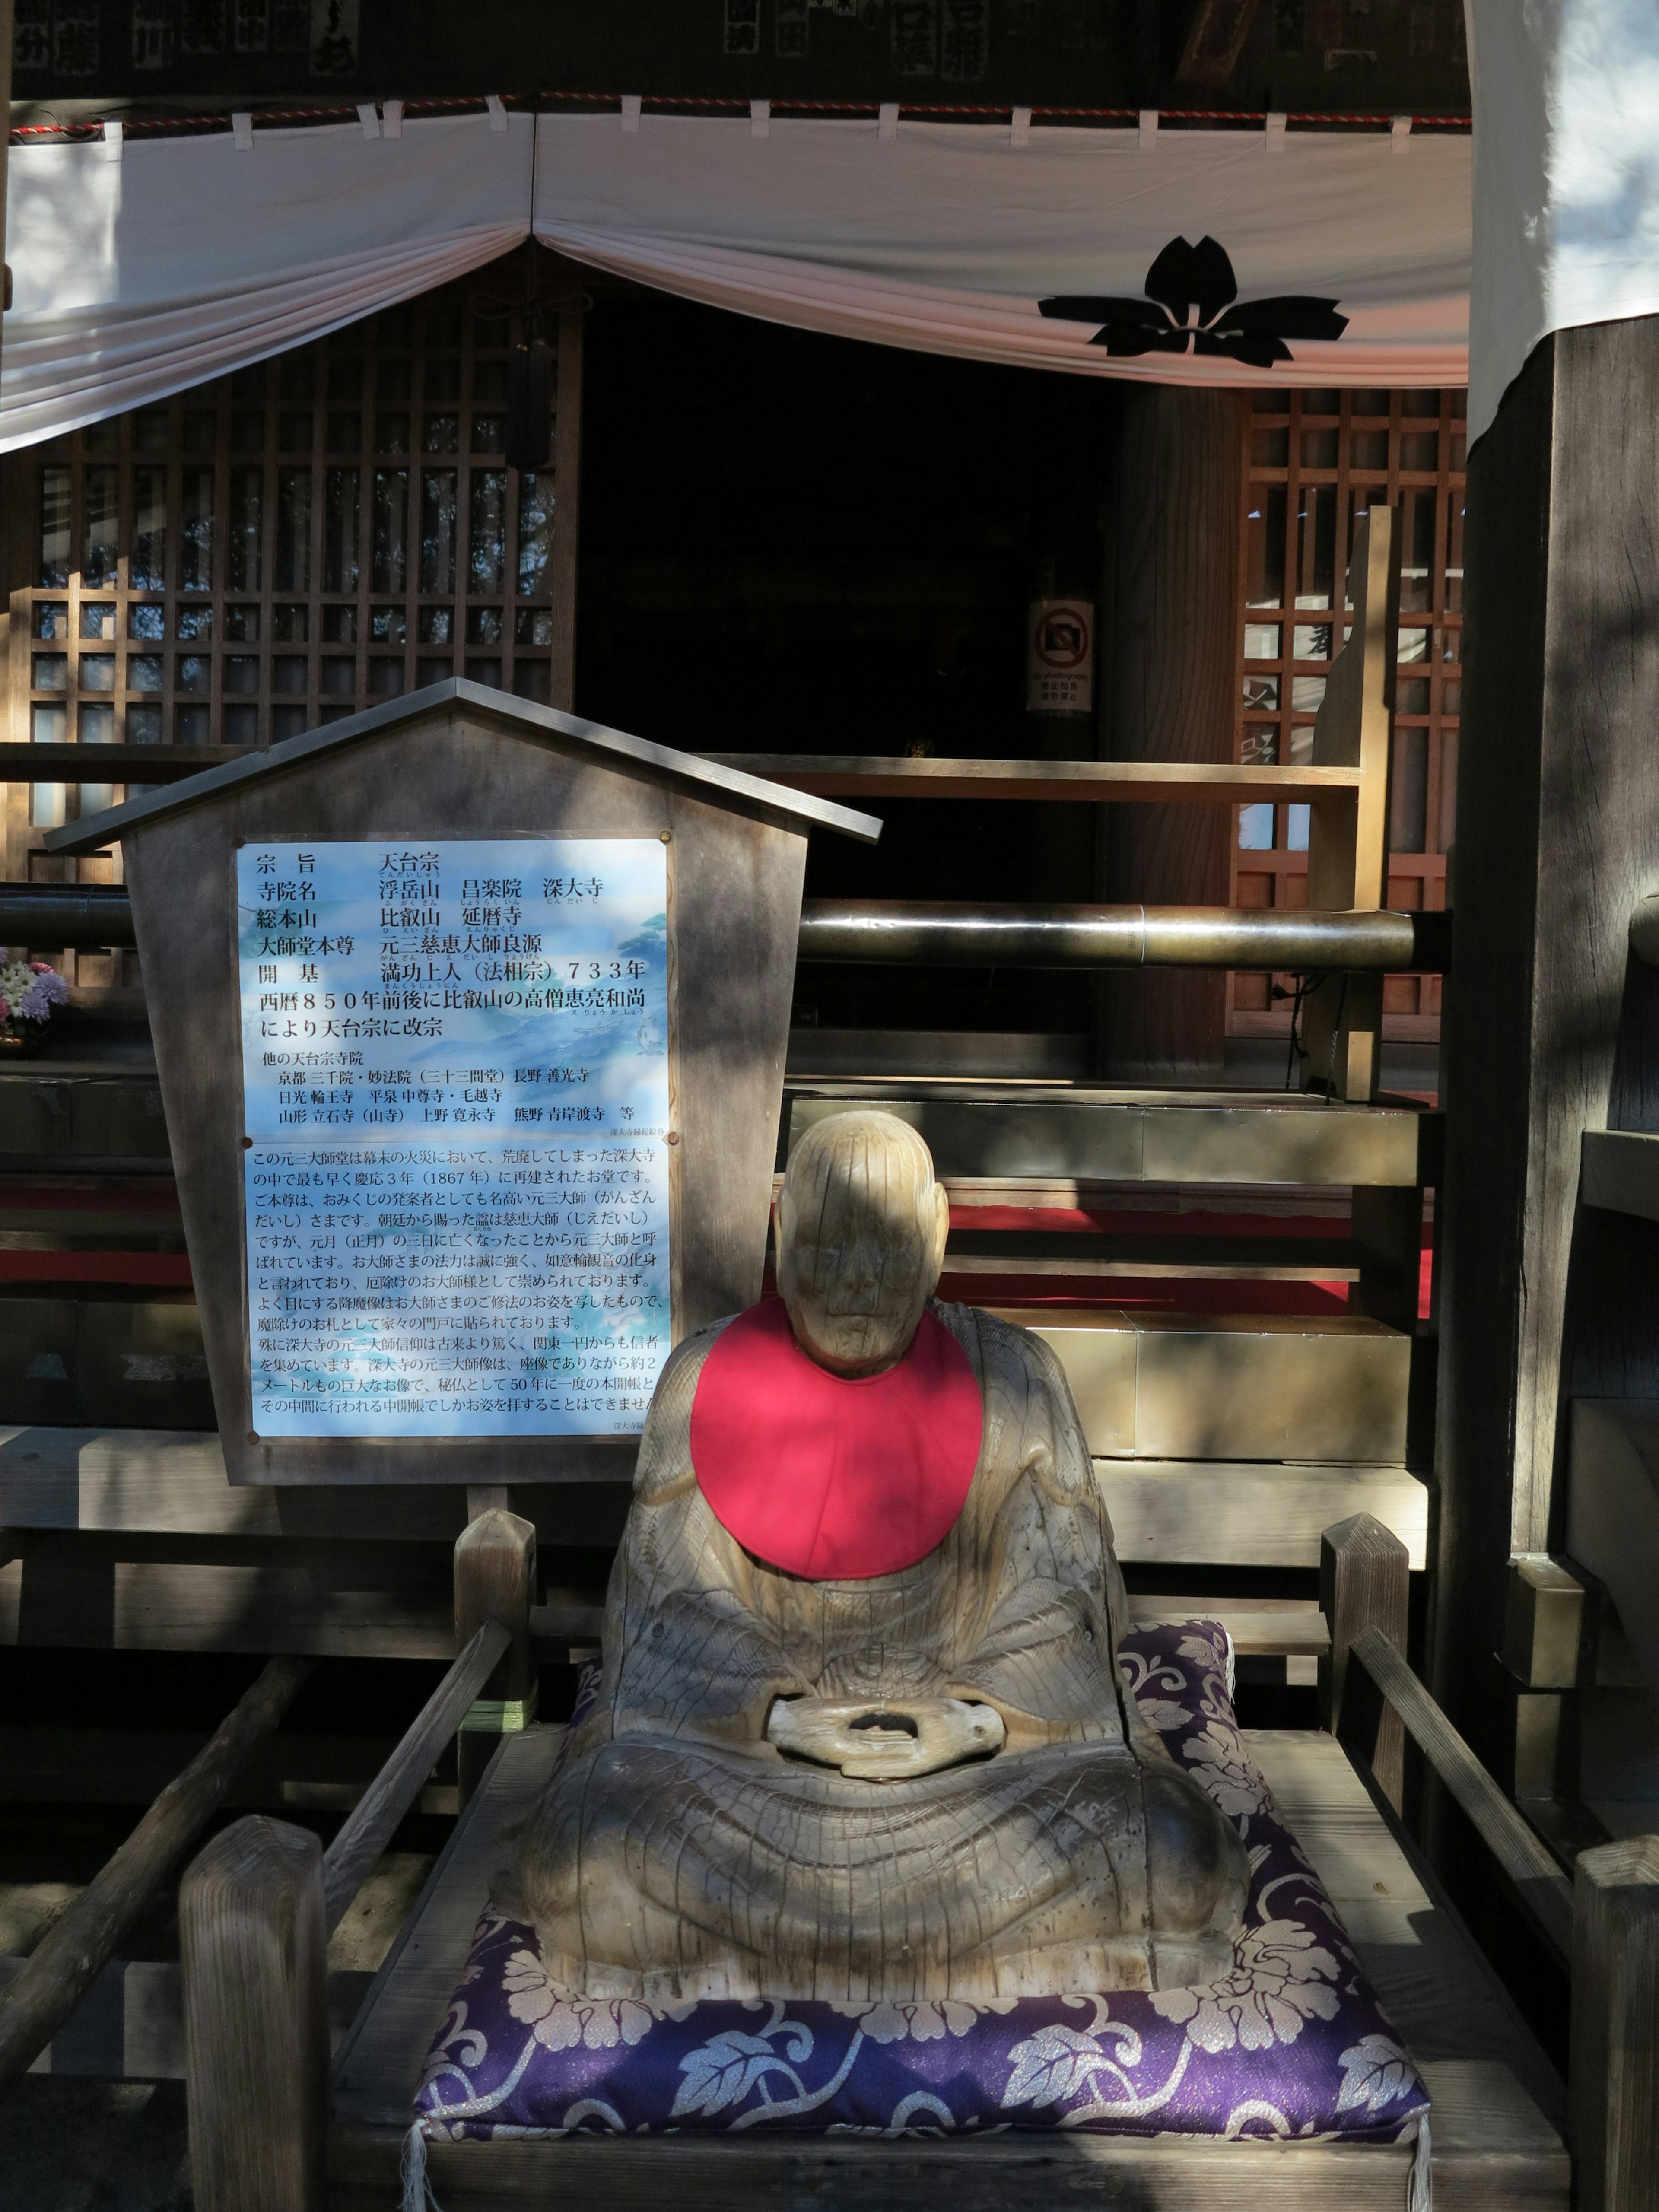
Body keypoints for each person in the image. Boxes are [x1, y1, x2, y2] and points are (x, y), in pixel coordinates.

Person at [514, 1109, 1247, 2003]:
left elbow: (1061, 1606)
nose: (856, 1279)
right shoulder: (701, 1379)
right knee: (587, 1847)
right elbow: (669, 1615)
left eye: (888, 1245)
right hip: (756, 1772)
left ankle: (780, 1945)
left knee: (1169, 1849)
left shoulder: (1016, 1378)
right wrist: (782, 1721)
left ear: (939, 1233)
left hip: (986, 1775)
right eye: (827, 1244)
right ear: (781, 1230)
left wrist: (973, 1721)